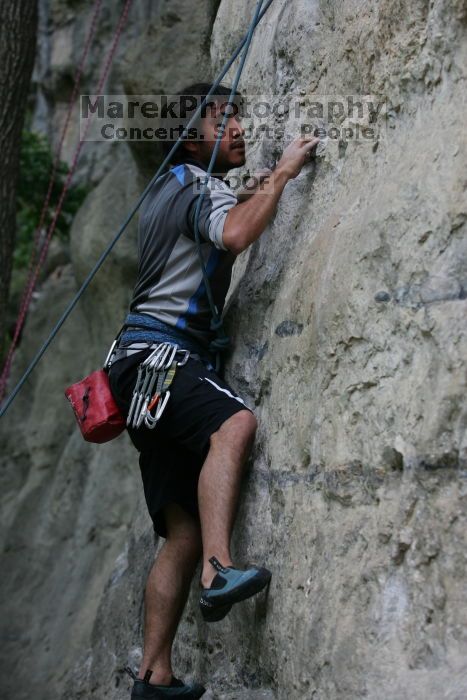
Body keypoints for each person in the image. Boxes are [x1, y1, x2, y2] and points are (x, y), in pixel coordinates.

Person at [108, 82, 320, 699]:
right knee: (235, 425)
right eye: (220, 119)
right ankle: (219, 572)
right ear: (188, 133)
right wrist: (282, 175)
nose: (236, 129)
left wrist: (250, 191)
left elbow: (216, 221)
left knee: (180, 530)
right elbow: (231, 235)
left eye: (238, 118)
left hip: (133, 374)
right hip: (162, 357)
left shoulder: (167, 191)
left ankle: (154, 674)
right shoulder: (197, 185)